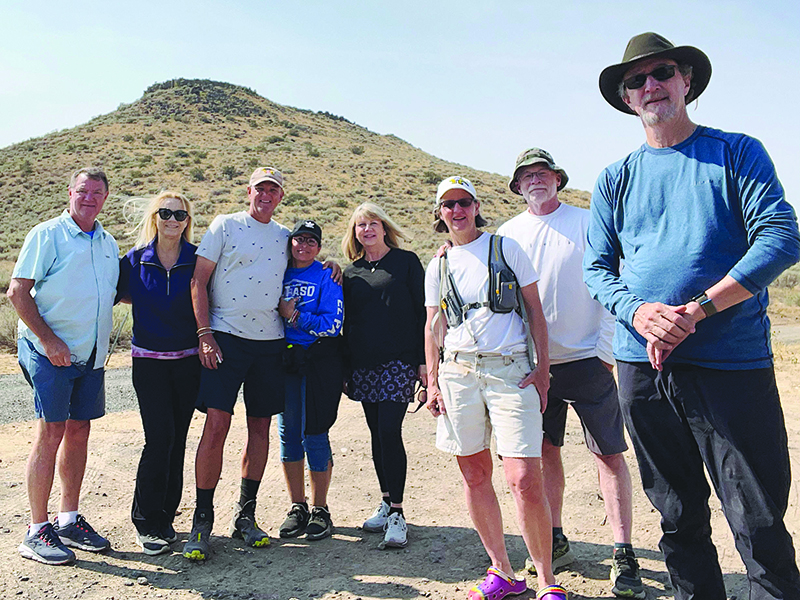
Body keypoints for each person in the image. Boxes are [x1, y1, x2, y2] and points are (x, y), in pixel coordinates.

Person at [584, 32, 800, 600]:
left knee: (758, 520)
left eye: (662, 73)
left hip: (730, 365)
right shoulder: (615, 177)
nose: (650, 85)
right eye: (637, 80)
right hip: (643, 370)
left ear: (686, 82)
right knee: (677, 518)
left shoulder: (736, 152)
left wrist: (698, 309)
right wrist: (638, 311)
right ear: (628, 98)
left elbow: (780, 236)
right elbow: (596, 268)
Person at [500, 149, 643, 598]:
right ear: (518, 186)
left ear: (557, 180)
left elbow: (613, 281)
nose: (535, 181)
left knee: (609, 453)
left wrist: (604, 350)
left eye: (542, 174)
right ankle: (556, 537)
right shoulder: (507, 234)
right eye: (526, 176)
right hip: (533, 365)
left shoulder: (586, 222)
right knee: (544, 452)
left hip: (587, 359)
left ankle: (623, 551)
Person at [424, 176, 568, 600]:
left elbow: (536, 314)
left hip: (510, 371)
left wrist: (542, 372)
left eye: (464, 202)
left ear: (476, 205)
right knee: (473, 473)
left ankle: (547, 580)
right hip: (459, 373)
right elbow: (433, 327)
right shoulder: (438, 265)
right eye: (448, 204)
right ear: (439, 212)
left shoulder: (505, 248)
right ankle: (503, 571)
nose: (457, 210)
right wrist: (432, 381)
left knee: (524, 477)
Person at [8, 167, 117, 565]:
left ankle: (68, 519)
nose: (89, 197)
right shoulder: (47, 234)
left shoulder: (106, 242)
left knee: (79, 430)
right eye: (83, 191)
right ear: (70, 192)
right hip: (47, 350)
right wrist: (49, 340)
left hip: (90, 355)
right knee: (51, 430)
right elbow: (18, 292)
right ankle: (36, 531)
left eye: (97, 192)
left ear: (106, 197)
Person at [182, 167, 290, 560]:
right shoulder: (225, 225)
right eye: (260, 188)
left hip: (270, 342)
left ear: (280, 197)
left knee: (260, 428)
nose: (265, 195)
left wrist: (329, 266)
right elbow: (198, 280)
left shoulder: (283, 236)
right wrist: (204, 334)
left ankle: (246, 516)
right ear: (249, 191)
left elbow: (304, 266)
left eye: (273, 190)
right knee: (217, 424)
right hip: (225, 338)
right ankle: (202, 520)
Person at [117, 191, 200, 555]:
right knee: (158, 438)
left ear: (187, 221)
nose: (172, 220)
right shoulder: (133, 261)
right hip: (148, 362)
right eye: (165, 213)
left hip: (188, 362)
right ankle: (146, 521)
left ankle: (166, 517)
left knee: (178, 438)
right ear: (155, 217)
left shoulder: (197, 260)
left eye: (179, 215)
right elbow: (120, 294)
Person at [341, 202, 426, 549]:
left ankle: (398, 514)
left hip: (399, 362)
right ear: (355, 233)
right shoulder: (351, 273)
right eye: (360, 225)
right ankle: (386, 499)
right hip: (363, 363)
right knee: (376, 434)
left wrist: (424, 363)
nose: (367, 230)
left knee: (390, 431)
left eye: (373, 223)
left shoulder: (406, 263)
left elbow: (424, 313)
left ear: (384, 226)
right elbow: (348, 324)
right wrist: (345, 368)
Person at [276, 220, 344, 541]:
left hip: (317, 364)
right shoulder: (278, 272)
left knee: (314, 433)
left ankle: (320, 509)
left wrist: (296, 316)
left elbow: (332, 324)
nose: (304, 246)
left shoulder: (326, 275)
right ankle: (297, 506)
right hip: (284, 364)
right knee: (289, 435)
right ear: (290, 243)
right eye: (298, 239)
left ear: (319, 246)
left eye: (311, 241)